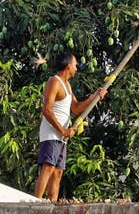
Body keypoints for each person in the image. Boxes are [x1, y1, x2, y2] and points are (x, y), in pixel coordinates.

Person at [34, 52, 106, 201]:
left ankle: (51, 205)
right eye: (75, 65)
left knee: (58, 172)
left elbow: (76, 108)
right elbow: (47, 110)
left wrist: (94, 97)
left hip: (62, 136)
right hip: (52, 133)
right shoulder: (54, 82)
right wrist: (63, 130)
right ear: (68, 66)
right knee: (48, 167)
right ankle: (35, 203)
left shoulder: (67, 85)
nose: (76, 68)